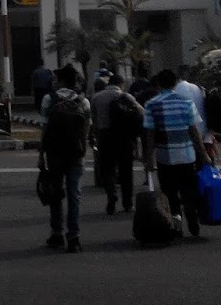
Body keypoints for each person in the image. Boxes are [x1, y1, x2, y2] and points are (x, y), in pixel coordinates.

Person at [141, 68, 212, 238]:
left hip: (165, 158)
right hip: (187, 155)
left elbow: (150, 134)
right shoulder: (186, 102)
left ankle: (177, 225)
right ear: (175, 83)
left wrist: (149, 158)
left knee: (169, 193)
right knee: (189, 191)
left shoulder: (152, 104)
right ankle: (192, 220)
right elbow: (194, 131)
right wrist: (204, 154)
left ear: (158, 84)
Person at [40, 65, 91, 252]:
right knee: (74, 195)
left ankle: (57, 233)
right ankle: (74, 237)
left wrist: (41, 154)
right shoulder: (83, 101)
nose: (53, 82)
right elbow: (86, 128)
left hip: (54, 153)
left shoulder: (49, 99)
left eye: (55, 79)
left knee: (55, 193)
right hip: (75, 153)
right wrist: (83, 150)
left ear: (60, 80)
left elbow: (44, 129)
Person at [90, 74, 140, 215]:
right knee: (126, 171)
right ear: (121, 84)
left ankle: (111, 193)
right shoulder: (126, 97)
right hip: (124, 138)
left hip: (105, 136)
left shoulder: (97, 97)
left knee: (107, 169)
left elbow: (93, 119)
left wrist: (94, 136)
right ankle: (128, 204)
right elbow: (140, 112)